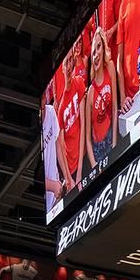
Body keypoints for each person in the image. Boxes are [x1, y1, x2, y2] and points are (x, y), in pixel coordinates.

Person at [83, 28, 118, 168]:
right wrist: (94, 167)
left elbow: (115, 107)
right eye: (93, 51)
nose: (96, 54)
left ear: (104, 48)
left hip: (111, 134)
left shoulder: (110, 67)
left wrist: (115, 143)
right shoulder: (90, 93)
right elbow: (87, 139)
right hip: (98, 148)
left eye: (99, 47)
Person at [56, 49, 86, 193]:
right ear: (62, 68)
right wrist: (69, 178)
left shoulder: (79, 83)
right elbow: (61, 146)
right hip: (69, 170)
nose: (68, 67)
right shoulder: (61, 109)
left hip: (82, 159)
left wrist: (80, 170)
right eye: (65, 63)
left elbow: (83, 124)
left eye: (70, 61)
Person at [41, 86, 70, 215]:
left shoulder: (51, 112)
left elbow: (58, 144)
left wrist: (67, 177)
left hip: (56, 189)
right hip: (45, 199)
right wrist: (52, 186)